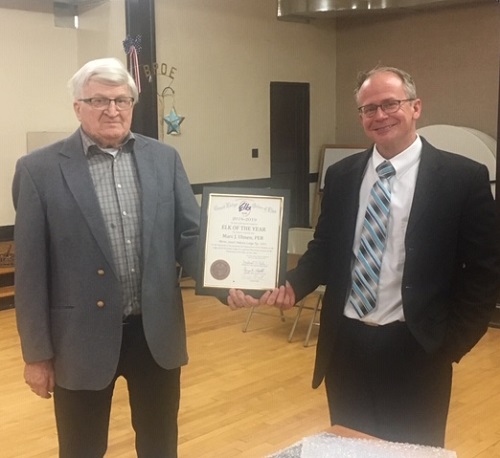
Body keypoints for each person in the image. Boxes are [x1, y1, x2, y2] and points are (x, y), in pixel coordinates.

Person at [228, 65, 500, 447]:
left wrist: (452, 344)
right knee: (350, 446)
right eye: (369, 109)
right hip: (346, 346)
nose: (380, 115)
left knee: (414, 451)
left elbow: (485, 272)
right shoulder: (342, 176)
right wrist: (292, 284)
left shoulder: (462, 178)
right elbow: (324, 250)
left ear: (416, 107)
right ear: (361, 117)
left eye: (391, 104)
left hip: (418, 347)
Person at [12, 57, 200, 457]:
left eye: (122, 100)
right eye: (99, 100)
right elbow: (30, 274)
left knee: (160, 443)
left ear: (133, 104)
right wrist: (37, 356)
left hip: (156, 336)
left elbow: (189, 235)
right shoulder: (38, 170)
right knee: (81, 448)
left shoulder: (164, 160)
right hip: (78, 340)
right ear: (77, 106)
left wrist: (226, 280)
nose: (113, 110)